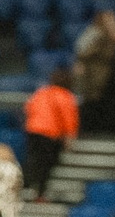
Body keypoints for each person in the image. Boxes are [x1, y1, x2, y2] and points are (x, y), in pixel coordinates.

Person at [20, 66, 79, 194]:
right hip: (49, 134)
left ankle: (26, 188)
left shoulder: (41, 92)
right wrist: (70, 138)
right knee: (46, 164)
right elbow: (68, 118)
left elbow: (28, 108)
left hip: (33, 131)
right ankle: (40, 192)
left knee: (32, 160)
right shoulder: (65, 95)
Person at [73, 8, 115, 118]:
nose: (111, 21)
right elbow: (81, 50)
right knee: (89, 99)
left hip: (104, 72)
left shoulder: (110, 33)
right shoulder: (95, 32)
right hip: (91, 71)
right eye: (108, 18)